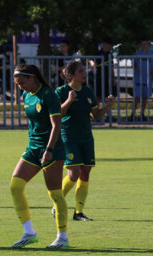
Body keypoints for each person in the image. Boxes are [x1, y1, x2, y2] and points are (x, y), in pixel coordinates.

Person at [9, 64, 69, 249]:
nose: (20, 87)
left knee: (55, 194)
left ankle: (62, 238)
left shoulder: (49, 96)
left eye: (22, 82)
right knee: (15, 186)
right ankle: (29, 233)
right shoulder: (27, 95)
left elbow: (56, 126)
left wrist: (49, 150)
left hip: (51, 149)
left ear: (33, 77)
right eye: (17, 84)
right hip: (33, 148)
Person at [54, 60, 115, 221]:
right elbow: (57, 114)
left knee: (85, 173)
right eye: (81, 71)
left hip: (86, 137)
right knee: (73, 173)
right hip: (68, 136)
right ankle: (57, 204)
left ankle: (79, 212)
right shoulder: (61, 91)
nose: (84, 73)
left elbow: (96, 116)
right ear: (71, 75)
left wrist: (108, 106)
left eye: (84, 70)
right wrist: (69, 100)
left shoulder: (87, 91)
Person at [131, 38, 153, 121]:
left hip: (147, 80)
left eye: (146, 44)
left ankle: (142, 114)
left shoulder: (150, 55)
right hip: (138, 79)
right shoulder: (136, 54)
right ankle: (132, 114)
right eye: (142, 44)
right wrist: (136, 69)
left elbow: (152, 68)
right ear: (140, 45)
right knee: (137, 97)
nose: (144, 46)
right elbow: (133, 65)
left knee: (145, 98)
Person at [90, 37, 117, 103]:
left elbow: (112, 66)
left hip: (108, 77)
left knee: (108, 96)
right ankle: (97, 111)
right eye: (105, 44)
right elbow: (91, 60)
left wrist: (114, 78)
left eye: (108, 45)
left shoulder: (110, 54)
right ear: (103, 44)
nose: (107, 46)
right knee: (98, 96)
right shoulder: (98, 53)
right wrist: (92, 64)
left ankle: (107, 111)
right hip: (99, 77)